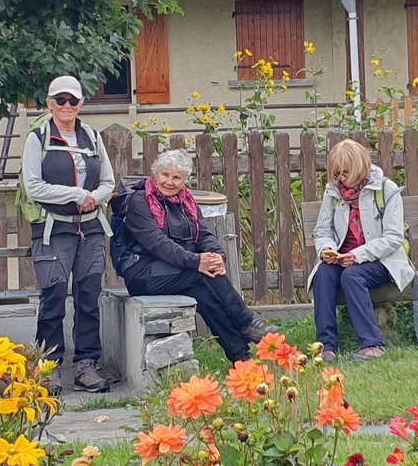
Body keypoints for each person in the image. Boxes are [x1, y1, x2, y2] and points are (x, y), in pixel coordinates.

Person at [119, 150, 278, 362]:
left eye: (177, 177)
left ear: (184, 180)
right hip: (143, 274)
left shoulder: (187, 201)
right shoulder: (140, 201)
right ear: (155, 173)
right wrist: (197, 262)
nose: (169, 182)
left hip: (178, 271)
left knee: (204, 296)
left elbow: (203, 234)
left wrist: (217, 256)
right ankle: (246, 322)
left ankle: (241, 357)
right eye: (165, 174)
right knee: (202, 274)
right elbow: (158, 244)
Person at [21, 76, 114, 394]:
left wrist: (94, 198)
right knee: (53, 296)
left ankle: (87, 365)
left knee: (89, 296)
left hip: (90, 227)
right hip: (54, 227)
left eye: (72, 101)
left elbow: (109, 181)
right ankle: (49, 367)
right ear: (49, 104)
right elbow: (33, 186)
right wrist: (76, 194)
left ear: (80, 104)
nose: (67, 106)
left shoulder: (93, 137)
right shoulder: (38, 138)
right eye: (60, 100)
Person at [309, 140, 416, 363]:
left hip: (381, 260)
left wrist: (358, 256)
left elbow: (393, 238)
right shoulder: (332, 192)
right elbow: (322, 230)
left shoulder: (386, 189)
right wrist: (327, 249)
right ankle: (326, 347)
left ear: (359, 167)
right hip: (342, 258)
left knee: (352, 275)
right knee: (323, 274)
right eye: (336, 174)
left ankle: (373, 344)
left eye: (345, 173)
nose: (341, 179)